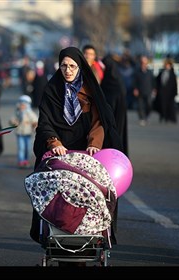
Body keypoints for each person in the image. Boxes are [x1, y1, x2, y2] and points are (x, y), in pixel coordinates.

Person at [30, 46, 123, 247]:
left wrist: (94, 145)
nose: (68, 70)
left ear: (80, 67)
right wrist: (54, 142)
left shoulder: (90, 91)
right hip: (60, 150)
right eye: (63, 66)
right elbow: (44, 122)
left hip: (86, 151)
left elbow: (100, 122)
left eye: (72, 66)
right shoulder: (52, 89)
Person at [8, 95, 38, 168]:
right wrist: (14, 122)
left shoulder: (30, 113)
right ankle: (21, 161)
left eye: (24, 104)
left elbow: (35, 120)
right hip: (20, 133)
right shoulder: (17, 113)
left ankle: (26, 160)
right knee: (21, 148)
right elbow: (12, 120)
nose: (22, 105)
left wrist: (35, 125)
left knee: (28, 148)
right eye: (21, 103)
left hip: (28, 133)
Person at [133, 55, 155, 126]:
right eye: (142, 62)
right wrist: (135, 89)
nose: (143, 64)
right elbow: (134, 81)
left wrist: (154, 89)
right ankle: (142, 118)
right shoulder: (137, 72)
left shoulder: (150, 72)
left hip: (148, 91)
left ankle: (146, 116)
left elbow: (153, 81)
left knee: (149, 105)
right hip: (140, 91)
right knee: (140, 106)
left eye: (145, 62)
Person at [155, 58, 178, 123]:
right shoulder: (162, 72)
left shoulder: (172, 74)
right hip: (162, 92)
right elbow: (157, 81)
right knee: (162, 105)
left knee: (169, 106)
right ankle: (162, 116)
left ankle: (168, 117)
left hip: (170, 93)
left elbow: (174, 84)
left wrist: (175, 92)